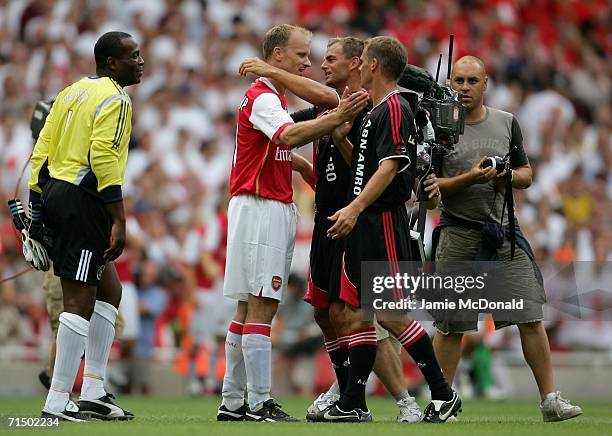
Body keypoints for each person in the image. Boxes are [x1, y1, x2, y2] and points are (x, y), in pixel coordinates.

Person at [240, 36, 424, 423]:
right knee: (327, 315)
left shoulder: (359, 105)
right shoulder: (331, 108)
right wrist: (304, 168)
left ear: (358, 64)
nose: (320, 65)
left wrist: (272, 73)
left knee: (359, 317)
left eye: (329, 58)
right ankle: (345, 391)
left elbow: (366, 164)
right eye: (311, 58)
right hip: (329, 218)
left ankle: (397, 399)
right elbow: (292, 129)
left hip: (357, 220)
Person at [217, 24, 368, 422]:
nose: (308, 62)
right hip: (264, 207)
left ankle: (233, 401)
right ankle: (260, 401)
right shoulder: (265, 98)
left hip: (253, 205)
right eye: (301, 54)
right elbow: (287, 136)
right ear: (278, 55)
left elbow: (274, 148)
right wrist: (337, 119)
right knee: (263, 305)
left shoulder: (269, 95)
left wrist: (299, 165)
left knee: (245, 307)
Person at [430, 55, 582, 422]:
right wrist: (469, 178)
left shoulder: (506, 122)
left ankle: (550, 399)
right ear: (450, 83)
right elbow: (430, 189)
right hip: (458, 232)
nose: (463, 88)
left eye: (471, 81)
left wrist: (504, 176)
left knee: (530, 316)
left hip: (503, 232)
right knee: (452, 324)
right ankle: (441, 402)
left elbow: (526, 173)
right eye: (458, 80)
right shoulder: (436, 125)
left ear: (486, 85)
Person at [319, 36, 460, 423]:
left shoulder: (395, 107)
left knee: (391, 315)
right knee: (359, 313)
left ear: (376, 64)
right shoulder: (375, 108)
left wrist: (355, 205)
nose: (358, 65)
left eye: (362, 60)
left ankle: (444, 395)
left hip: (381, 219)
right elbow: (368, 164)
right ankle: (351, 402)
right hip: (365, 220)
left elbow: (391, 166)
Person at [27, 31, 144, 421]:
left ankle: (93, 390)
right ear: (111, 63)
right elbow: (104, 155)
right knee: (78, 302)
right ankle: (57, 400)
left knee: (110, 290)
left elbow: (41, 147)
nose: (140, 61)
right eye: (133, 56)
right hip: (83, 199)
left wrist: (36, 202)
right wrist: (119, 217)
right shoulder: (117, 97)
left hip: (56, 191)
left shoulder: (71, 91)